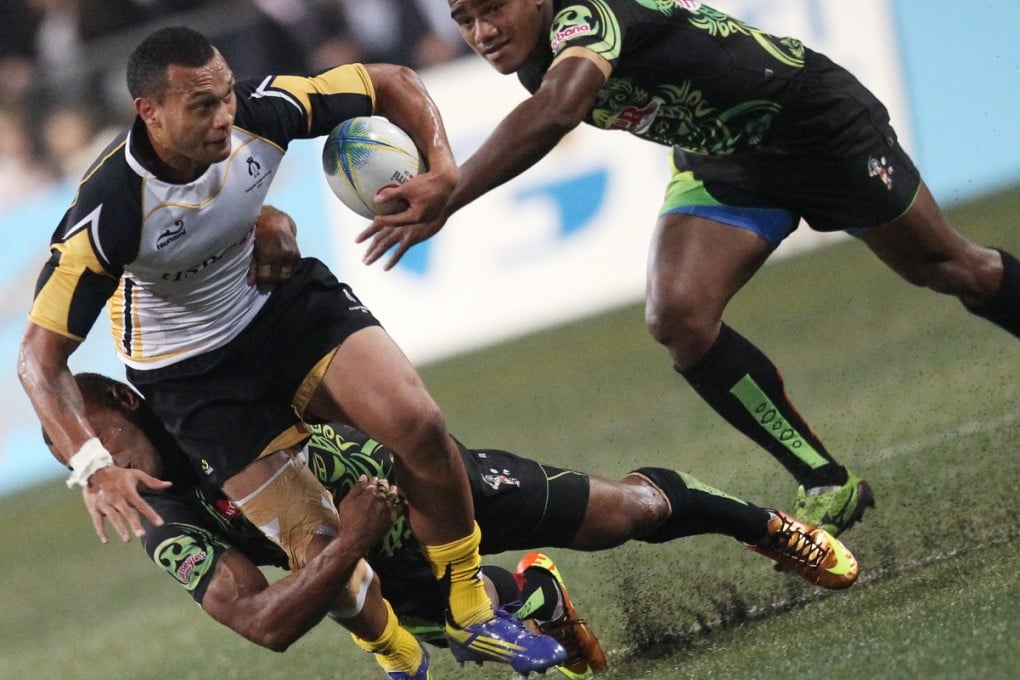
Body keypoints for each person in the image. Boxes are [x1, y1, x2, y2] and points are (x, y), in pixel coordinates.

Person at [357, 0, 1020, 538]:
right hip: (725, 161)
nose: (482, 33)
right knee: (678, 314)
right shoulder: (533, 54)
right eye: (465, 19)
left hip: (816, 128)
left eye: (493, 9)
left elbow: (557, 109)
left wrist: (450, 191)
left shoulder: (587, 16)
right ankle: (826, 482)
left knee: (955, 269)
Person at [16, 25, 565, 675]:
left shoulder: (260, 111)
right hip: (190, 373)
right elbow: (37, 360)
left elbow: (391, 81)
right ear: (150, 113)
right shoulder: (110, 210)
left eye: (226, 95)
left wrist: (443, 168)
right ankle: (400, 658)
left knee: (418, 423)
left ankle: (472, 609)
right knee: (317, 544)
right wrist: (91, 466)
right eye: (202, 106)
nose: (225, 116)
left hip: (274, 303)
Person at [55, 371, 860, 678]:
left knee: (628, 513)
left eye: (93, 438)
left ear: (127, 401)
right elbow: (261, 622)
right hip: (370, 567)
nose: (94, 464)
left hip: (429, 486)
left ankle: (765, 526)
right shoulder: (156, 518)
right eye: (71, 455)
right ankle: (534, 596)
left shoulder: (204, 389)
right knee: (468, 634)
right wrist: (355, 539)